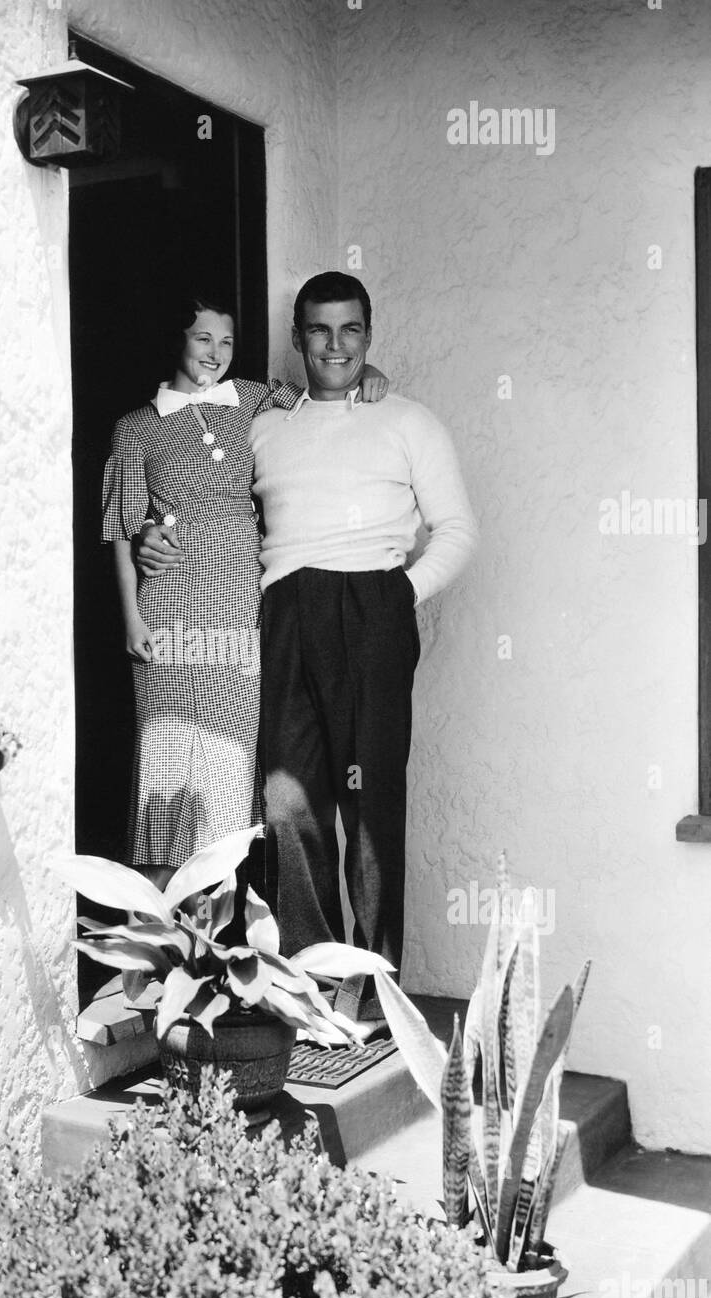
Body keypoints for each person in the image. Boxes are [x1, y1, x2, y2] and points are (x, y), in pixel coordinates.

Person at [140, 272, 478, 1028]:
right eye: (319, 331)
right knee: (289, 803)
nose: (335, 345)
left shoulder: (409, 422)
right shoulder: (262, 422)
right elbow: (196, 486)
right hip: (287, 610)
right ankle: (313, 982)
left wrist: (399, 597)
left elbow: (458, 529)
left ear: (369, 334)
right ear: (296, 339)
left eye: (350, 329)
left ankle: (378, 988)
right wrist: (147, 533)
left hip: (373, 610)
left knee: (370, 802)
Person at [102, 294, 387, 891]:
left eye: (226, 342)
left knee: (230, 770)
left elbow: (325, 394)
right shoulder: (136, 428)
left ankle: (214, 957)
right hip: (171, 609)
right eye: (203, 339)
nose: (216, 353)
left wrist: (370, 375)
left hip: (242, 604)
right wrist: (131, 620)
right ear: (176, 341)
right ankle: (155, 949)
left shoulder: (254, 398)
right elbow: (122, 531)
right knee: (165, 758)